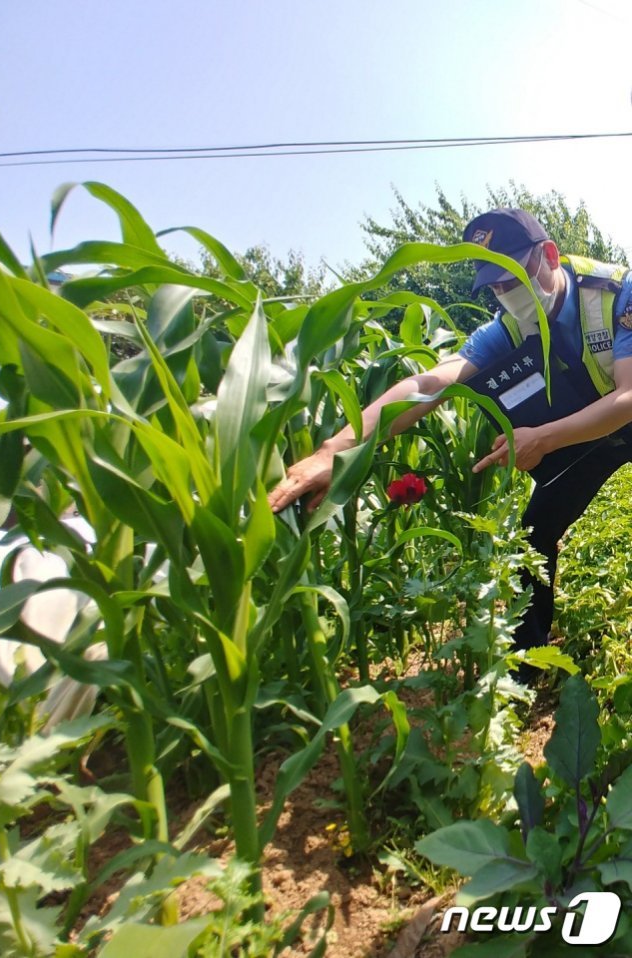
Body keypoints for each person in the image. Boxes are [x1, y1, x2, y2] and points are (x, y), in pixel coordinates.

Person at [267, 208, 632, 659]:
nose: (505, 292)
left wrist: (545, 437)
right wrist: (337, 449)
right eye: (494, 285)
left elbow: (628, 397)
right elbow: (429, 384)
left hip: (611, 414)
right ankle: (527, 664)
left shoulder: (614, 294)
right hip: (587, 435)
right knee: (536, 531)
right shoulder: (507, 329)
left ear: (550, 256)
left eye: (512, 276)